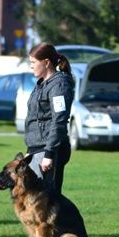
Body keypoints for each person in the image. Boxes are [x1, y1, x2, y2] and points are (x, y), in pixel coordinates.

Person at [24, 43, 75, 194]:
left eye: (33, 62)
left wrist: (49, 154)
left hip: (50, 150)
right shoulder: (41, 84)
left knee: (48, 203)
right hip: (37, 149)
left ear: (46, 62)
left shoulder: (59, 85)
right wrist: (30, 151)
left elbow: (59, 120)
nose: (31, 66)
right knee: (35, 200)